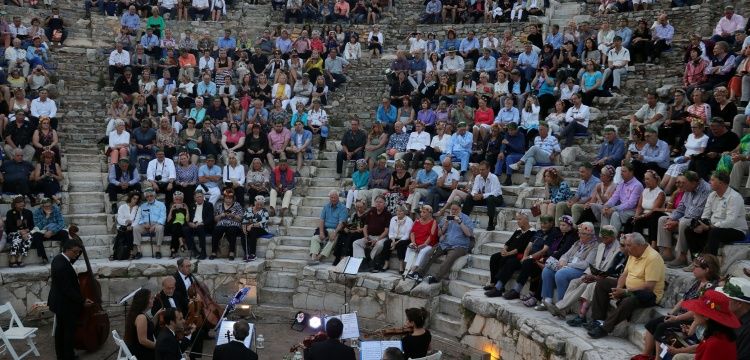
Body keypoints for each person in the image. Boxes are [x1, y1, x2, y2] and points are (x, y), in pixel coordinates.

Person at [632, 254, 721, 360]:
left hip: (692, 319)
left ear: (706, 270)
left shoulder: (710, 288)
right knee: (652, 323)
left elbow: (697, 311)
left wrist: (677, 318)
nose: (693, 268)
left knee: (661, 327)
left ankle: (657, 358)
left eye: (696, 266)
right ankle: (645, 354)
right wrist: (672, 313)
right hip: (680, 316)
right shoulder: (697, 283)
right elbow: (683, 299)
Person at [587, 233, 666, 339]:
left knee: (629, 300)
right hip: (629, 288)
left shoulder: (653, 258)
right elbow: (624, 274)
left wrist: (625, 291)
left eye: (629, 245)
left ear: (639, 245)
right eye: (626, 245)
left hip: (648, 294)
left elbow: (649, 286)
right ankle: (597, 320)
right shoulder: (633, 253)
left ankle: (604, 328)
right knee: (602, 283)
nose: (626, 248)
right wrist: (619, 287)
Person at [548, 225, 624, 321]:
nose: (603, 239)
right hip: (594, 274)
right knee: (574, 282)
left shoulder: (619, 249)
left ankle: (560, 307)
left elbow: (612, 270)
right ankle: (563, 310)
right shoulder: (601, 246)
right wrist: (586, 274)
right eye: (602, 236)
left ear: (613, 237)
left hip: (605, 278)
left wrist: (595, 277)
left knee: (584, 285)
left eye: (606, 237)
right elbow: (595, 264)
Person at [685, 171, 747, 260]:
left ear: (721, 183)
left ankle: (710, 264)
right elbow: (705, 215)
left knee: (714, 232)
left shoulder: (734, 197)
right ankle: (697, 258)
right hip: (715, 227)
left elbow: (731, 221)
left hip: (736, 230)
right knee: (689, 230)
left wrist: (710, 227)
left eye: (713, 180)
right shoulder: (712, 195)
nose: (710, 182)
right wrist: (701, 224)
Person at [539, 222, 598, 311]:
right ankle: (547, 300)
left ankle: (562, 306)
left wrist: (568, 265)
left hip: (580, 270)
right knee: (547, 270)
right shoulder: (578, 243)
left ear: (590, 235)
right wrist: (563, 260)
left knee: (561, 274)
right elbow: (565, 255)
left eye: (583, 234)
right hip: (568, 266)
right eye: (579, 233)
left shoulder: (595, 246)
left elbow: (586, 264)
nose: (580, 235)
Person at [656, 170, 710, 267]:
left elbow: (696, 214)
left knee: (684, 222)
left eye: (683, 183)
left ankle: (682, 256)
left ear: (693, 183)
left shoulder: (705, 190)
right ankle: (667, 252)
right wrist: (671, 219)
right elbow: (681, 208)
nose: (681, 186)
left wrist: (676, 222)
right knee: (663, 219)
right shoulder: (688, 188)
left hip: (699, 221)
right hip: (686, 218)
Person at [412, 201, 474, 284]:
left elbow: (469, 234)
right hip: (445, 243)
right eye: (452, 209)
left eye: (456, 209)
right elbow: (439, 234)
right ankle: (419, 273)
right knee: (429, 253)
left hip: (459, 245)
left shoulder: (466, 219)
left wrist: (460, 222)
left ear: (460, 209)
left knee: (449, 258)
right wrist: (445, 224)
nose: (454, 211)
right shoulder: (447, 217)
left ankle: (437, 277)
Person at [48, 237, 89, 360]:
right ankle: (68, 356)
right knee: (67, 332)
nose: (77, 255)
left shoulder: (60, 259)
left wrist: (79, 245)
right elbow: (67, 289)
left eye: (78, 252)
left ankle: (62, 356)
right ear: (67, 250)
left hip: (59, 302)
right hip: (65, 304)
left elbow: (75, 254)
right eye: (75, 252)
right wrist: (82, 301)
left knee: (61, 331)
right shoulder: (62, 266)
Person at [484, 212, 535, 297]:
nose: (517, 221)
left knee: (508, 261)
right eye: (517, 219)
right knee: (494, 257)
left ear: (526, 220)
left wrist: (508, 253)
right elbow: (508, 242)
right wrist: (504, 250)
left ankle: (499, 288)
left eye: (519, 219)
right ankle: (493, 283)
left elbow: (521, 248)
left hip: (519, 256)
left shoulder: (531, 232)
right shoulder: (518, 230)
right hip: (509, 253)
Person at [591, 162, 643, 232]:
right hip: (622, 209)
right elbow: (614, 197)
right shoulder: (621, 184)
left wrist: (614, 208)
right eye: (621, 171)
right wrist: (606, 205)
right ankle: (604, 236)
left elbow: (631, 204)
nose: (621, 173)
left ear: (631, 172)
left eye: (624, 171)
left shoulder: (637, 185)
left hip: (632, 210)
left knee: (615, 213)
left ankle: (611, 236)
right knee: (605, 210)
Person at [509, 122, 560, 187]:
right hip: (538, 157)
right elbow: (534, 152)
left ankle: (518, 163)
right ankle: (526, 182)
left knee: (534, 147)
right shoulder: (537, 138)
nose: (539, 131)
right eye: (539, 130)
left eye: (541, 130)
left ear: (547, 130)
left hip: (547, 157)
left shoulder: (552, 138)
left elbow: (558, 150)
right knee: (529, 159)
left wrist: (554, 154)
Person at [461, 160, 503, 230]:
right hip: (483, 197)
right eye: (480, 170)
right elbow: (474, 189)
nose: (481, 171)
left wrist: (482, 195)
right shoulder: (478, 177)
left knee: (490, 198)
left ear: (488, 169)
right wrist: (475, 195)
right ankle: (463, 219)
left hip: (496, 198)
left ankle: (491, 223)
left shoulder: (494, 177)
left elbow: (495, 192)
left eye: (483, 170)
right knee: (469, 197)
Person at [715, 277, 750, 360]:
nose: (721, 301)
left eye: (726, 299)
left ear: (739, 304)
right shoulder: (731, 317)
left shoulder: (748, 329)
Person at [353, 195, 391, 271]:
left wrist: (377, 239)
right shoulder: (371, 211)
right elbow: (365, 227)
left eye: (380, 202)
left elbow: (386, 231)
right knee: (356, 243)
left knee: (379, 244)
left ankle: (370, 261)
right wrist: (366, 237)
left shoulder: (387, 214)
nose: (378, 204)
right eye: (377, 202)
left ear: (384, 203)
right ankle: (362, 263)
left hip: (381, 237)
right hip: (370, 236)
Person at [310, 191, 348, 264]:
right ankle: (314, 257)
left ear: (338, 198)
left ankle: (320, 256)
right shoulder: (326, 206)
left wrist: (335, 232)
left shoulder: (343, 208)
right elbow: (321, 220)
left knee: (334, 238)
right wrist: (321, 232)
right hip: (325, 229)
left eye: (334, 197)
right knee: (314, 238)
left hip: (335, 229)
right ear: (329, 198)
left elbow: (341, 223)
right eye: (331, 197)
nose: (333, 199)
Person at [210, 188, 243, 260]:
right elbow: (215, 219)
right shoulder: (219, 205)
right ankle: (213, 252)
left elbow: (241, 218)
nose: (228, 200)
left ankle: (231, 252)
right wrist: (220, 216)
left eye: (230, 198)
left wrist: (233, 216)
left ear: (233, 199)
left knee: (232, 230)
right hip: (221, 224)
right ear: (224, 198)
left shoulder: (237, 205)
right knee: (216, 230)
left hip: (234, 224)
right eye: (227, 198)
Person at [134, 188, 167, 258]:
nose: (149, 198)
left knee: (160, 228)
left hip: (156, 224)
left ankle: (158, 251)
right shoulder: (142, 206)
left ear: (154, 196)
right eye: (147, 196)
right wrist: (144, 224)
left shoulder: (161, 205)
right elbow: (139, 218)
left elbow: (163, 217)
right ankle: (139, 251)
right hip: (145, 225)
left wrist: (154, 226)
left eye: (151, 196)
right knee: (135, 228)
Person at [31, 197, 66, 263]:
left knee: (64, 233)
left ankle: (64, 254)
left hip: (54, 232)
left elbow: (61, 223)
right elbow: (38, 226)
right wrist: (46, 217)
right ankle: (43, 257)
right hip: (43, 233)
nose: (48, 208)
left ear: (51, 205)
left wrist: (52, 231)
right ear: (42, 206)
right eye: (45, 206)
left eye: (49, 206)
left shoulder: (56, 210)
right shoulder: (36, 212)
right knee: (36, 235)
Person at [124, 288, 156, 360]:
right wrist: (158, 346)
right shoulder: (141, 317)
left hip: (138, 349)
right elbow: (143, 341)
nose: (153, 299)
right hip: (142, 354)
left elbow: (148, 325)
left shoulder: (137, 313)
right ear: (144, 301)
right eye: (151, 298)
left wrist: (157, 314)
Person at [184, 189, 214, 259]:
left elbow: (210, 218)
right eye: (197, 197)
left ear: (203, 196)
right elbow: (188, 218)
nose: (199, 198)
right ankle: (195, 250)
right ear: (194, 198)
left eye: (200, 196)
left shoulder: (209, 205)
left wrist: (201, 223)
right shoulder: (191, 205)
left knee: (200, 228)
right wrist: (189, 223)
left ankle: (203, 251)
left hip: (204, 226)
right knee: (185, 229)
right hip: (194, 225)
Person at [5, 196, 33, 268]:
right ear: (15, 204)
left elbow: (32, 226)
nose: (22, 204)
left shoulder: (28, 212)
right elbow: (9, 227)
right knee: (18, 235)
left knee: (29, 237)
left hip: (26, 233)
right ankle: (13, 257)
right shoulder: (10, 213)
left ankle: (20, 257)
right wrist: (20, 231)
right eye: (19, 203)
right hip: (12, 233)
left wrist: (26, 231)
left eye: (23, 202)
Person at [241, 195, 270, 262]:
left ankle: (253, 254)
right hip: (249, 227)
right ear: (254, 202)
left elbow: (262, 223)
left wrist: (252, 225)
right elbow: (244, 220)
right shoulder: (248, 210)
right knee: (243, 232)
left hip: (262, 229)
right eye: (258, 204)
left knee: (253, 231)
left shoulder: (264, 211)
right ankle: (247, 253)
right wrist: (244, 228)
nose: (259, 206)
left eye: (261, 205)